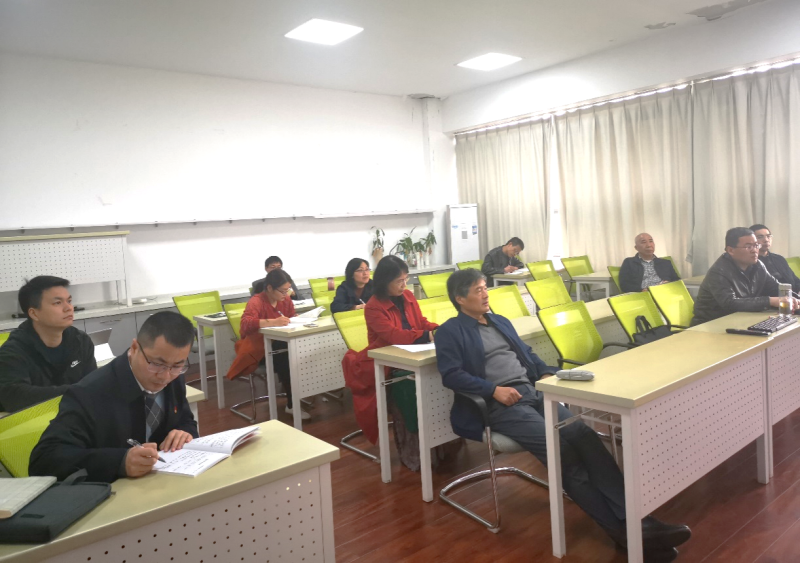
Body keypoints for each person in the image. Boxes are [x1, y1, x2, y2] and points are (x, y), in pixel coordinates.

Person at [436, 269, 691, 561]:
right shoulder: (450, 331)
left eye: (485, 288)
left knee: (585, 436)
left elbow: (526, 353)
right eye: (478, 290)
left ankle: (636, 521)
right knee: (561, 451)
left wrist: (545, 372)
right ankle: (624, 535)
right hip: (501, 405)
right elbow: (451, 374)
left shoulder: (499, 321)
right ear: (460, 299)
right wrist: (493, 390)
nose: (486, 294)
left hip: (534, 392)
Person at [29, 311, 198, 483]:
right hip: (113, 491)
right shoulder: (89, 393)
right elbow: (44, 460)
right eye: (157, 364)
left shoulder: (174, 378)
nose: (165, 376)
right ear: (134, 348)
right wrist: (120, 462)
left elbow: (185, 420)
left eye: (177, 365)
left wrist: (185, 433)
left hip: (163, 484)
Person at [341, 255, 440, 470]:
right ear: (385, 282)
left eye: (406, 279)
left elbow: (420, 322)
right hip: (385, 362)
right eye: (399, 281)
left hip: (412, 354)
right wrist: (427, 335)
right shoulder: (374, 306)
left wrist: (437, 329)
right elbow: (393, 335)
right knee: (412, 387)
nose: (404, 285)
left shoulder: (408, 296)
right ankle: (418, 452)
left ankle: (442, 443)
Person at [0, 276, 96, 413]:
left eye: (69, 301)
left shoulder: (81, 341)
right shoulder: (13, 352)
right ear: (34, 313)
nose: (68, 308)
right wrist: (76, 391)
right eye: (57, 303)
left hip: (75, 417)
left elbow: (94, 384)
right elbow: (14, 397)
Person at [229, 268, 308, 420]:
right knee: (286, 355)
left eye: (287, 290)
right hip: (258, 350)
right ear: (270, 288)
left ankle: (297, 397)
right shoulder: (257, 301)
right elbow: (245, 324)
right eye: (282, 291)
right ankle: (292, 404)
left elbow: (290, 316)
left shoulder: (285, 300)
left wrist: (295, 318)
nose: (286, 294)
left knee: (295, 352)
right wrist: (273, 322)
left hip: (279, 346)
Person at [692, 227, 800, 325]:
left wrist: (794, 299)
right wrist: (770, 301)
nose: (754, 250)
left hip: (741, 320)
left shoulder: (758, 265)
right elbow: (730, 304)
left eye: (756, 245)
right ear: (731, 250)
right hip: (711, 325)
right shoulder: (719, 272)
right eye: (748, 247)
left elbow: (775, 287)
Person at [750, 224, 800, 294]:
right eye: (760, 237)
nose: (766, 240)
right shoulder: (751, 262)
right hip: (773, 299)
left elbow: (795, 280)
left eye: (768, 236)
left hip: (793, 296)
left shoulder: (779, 259)